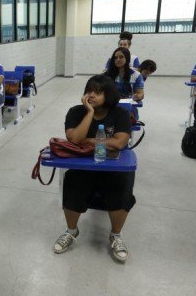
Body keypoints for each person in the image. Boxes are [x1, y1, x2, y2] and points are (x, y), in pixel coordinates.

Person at [53, 75, 136, 263]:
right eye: (89, 91)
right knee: (73, 184)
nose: (92, 95)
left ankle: (116, 235)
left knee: (121, 187)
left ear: (109, 94)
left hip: (112, 167)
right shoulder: (76, 112)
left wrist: (90, 141)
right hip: (84, 166)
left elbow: (120, 142)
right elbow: (74, 139)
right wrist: (89, 113)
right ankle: (71, 231)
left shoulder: (120, 113)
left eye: (98, 92)